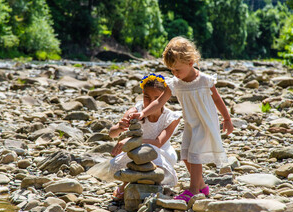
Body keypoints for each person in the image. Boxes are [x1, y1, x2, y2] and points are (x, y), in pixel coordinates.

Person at [130, 36, 234, 202]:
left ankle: (193, 190)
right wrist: (142, 113)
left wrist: (227, 118)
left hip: (205, 123)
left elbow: (217, 99)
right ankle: (202, 186)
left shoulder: (204, 80)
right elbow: (159, 101)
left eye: (177, 70)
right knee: (185, 155)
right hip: (191, 124)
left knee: (195, 156)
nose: (174, 73)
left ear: (191, 62)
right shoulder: (175, 83)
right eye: (171, 70)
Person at [87, 73, 181, 201]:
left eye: (156, 98)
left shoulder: (171, 117)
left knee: (152, 158)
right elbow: (112, 133)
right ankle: (129, 184)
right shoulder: (136, 111)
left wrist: (130, 141)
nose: (151, 102)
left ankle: (131, 186)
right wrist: (120, 128)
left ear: (163, 99)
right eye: (146, 97)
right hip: (137, 151)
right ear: (142, 94)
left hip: (162, 152)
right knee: (125, 162)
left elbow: (158, 143)